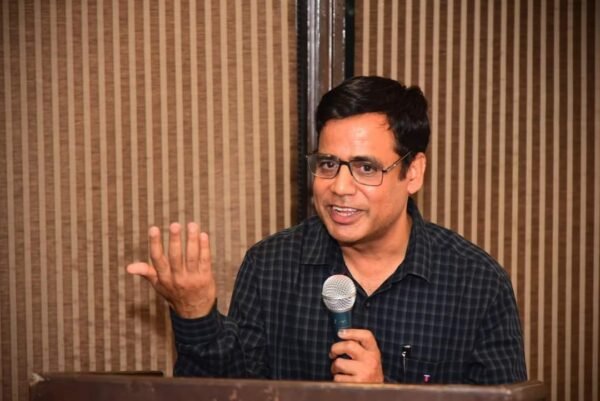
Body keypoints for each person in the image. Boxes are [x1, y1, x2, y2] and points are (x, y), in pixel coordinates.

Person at [127, 76, 527, 384]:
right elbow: (230, 391)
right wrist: (196, 314)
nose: (339, 187)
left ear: (413, 172)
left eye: (366, 167)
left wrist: (387, 393)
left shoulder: (476, 282)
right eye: (328, 164)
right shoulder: (270, 266)